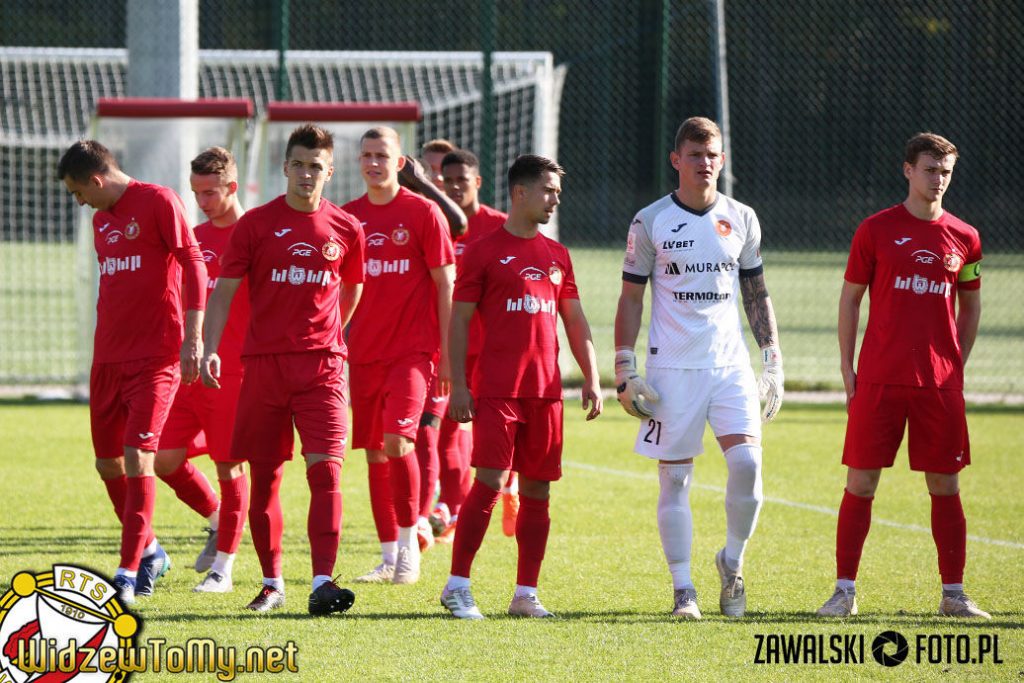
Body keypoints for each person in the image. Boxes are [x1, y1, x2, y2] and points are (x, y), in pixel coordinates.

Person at [613, 116, 783, 620]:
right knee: (676, 482)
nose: (704, 163)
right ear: (676, 160)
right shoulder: (650, 220)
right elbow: (630, 298)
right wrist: (625, 366)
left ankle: (732, 562)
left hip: (730, 367)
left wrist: (772, 359)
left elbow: (756, 292)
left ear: (722, 160)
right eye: (694, 155)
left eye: (712, 155)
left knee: (748, 466)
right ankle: (683, 589)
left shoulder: (742, 217)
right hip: (671, 370)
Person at [816, 133, 988, 619]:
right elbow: (850, 299)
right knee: (861, 482)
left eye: (946, 172)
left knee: (946, 486)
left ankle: (953, 595)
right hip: (880, 377)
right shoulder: (875, 230)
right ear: (908, 170)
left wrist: (955, 362)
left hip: (939, 383)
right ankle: (844, 592)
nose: (939, 180)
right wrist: (847, 368)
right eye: (930, 170)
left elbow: (971, 306)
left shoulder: (966, 236)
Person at [201, 124, 364, 616]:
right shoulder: (255, 225)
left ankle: (322, 583)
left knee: (327, 472)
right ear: (285, 167)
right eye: (298, 164)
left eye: (316, 166)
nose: (306, 174)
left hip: (323, 368)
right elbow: (224, 290)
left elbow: (352, 287)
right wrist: (210, 347)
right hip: (264, 368)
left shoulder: (346, 228)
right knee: (266, 477)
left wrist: (328, 334)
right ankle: (272, 583)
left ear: (330, 172)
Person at [440, 154, 602, 620]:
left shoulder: (558, 255)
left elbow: (574, 319)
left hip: (545, 391)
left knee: (538, 490)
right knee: (490, 482)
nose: (555, 200)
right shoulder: (483, 251)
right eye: (548, 191)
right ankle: (457, 585)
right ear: (520, 192)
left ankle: (525, 594)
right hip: (497, 388)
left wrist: (591, 377)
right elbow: (459, 321)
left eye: (557, 192)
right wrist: (460, 385)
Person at [58, 140, 208, 604]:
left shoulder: (159, 201)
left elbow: (194, 265)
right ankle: (151, 550)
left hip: (155, 357)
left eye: (79, 192)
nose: (80, 202)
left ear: (96, 179)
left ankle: (126, 573)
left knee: (140, 456)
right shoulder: (101, 220)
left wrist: (193, 337)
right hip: (107, 359)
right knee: (108, 464)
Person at [344, 127, 455, 586]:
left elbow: (446, 284)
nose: (374, 163)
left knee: (399, 443)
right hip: (362, 353)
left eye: (382, 155)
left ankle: (410, 546)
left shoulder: (423, 212)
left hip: (413, 352)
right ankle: (388, 554)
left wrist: (448, 354)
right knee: (374, 453)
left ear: (400, 162)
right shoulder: (348, 217)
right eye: (367, 155)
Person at [155, 147, 253, 593]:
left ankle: (223, 570)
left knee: (229, 465)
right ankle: (217, 519)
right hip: (190, 372)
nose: (202, 201)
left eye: (210, 192)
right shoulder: (193, 238)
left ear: (232, 186)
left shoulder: (254, 235)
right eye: (196, 192)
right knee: (163, 458)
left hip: (234, 374)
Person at [428, 149, 514, 544]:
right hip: (450, 349)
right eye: (448, 181)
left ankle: (510, 486)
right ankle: (452, 509)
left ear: (477, 182)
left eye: (462, 180)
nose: (455, 187)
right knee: (446, 431)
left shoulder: (499, 226)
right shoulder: (435, 223)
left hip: (494, 351)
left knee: (493, 437)